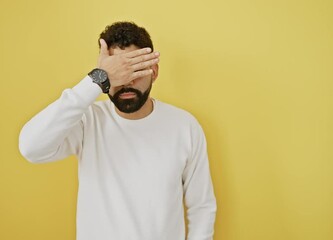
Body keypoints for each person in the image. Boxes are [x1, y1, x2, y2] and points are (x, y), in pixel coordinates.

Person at [18, 21, 217, 240]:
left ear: (154, 71)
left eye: (135, 69)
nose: (126, 81)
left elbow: (202, 207)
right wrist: (97, 79)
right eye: (117, 72)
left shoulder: (185, 126)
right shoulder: (88, 121)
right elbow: (31, 147)